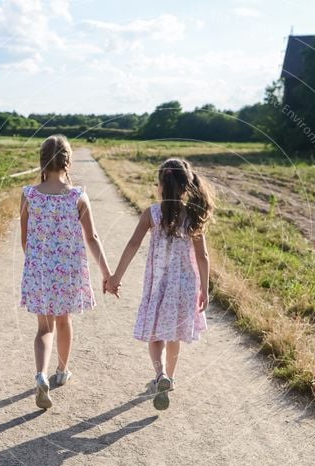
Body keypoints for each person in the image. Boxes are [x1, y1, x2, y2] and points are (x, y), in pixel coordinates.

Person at [107, 158, 214, 410]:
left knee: (156, 335)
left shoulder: (152, 214)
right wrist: (204, 289)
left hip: (158, 286)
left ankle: (161, 374)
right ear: (187, 187)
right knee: (174, 333)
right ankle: (171, 379)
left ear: (160, 185)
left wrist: (116, 277)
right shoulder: (193, 216)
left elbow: (132, 245)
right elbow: (203, 257)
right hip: (184, 287)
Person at [20, 134, 114, 409]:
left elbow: (25, 238)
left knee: (43, 328)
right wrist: (107, 274)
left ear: (42, 161)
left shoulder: (29, 195)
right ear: (68, 162)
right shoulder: (77, 196)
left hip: (38, 270)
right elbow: (92, 238)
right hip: (67, 273)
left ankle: (40, 375)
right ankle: (61, 371)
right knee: (63, 321)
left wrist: (36, 264)